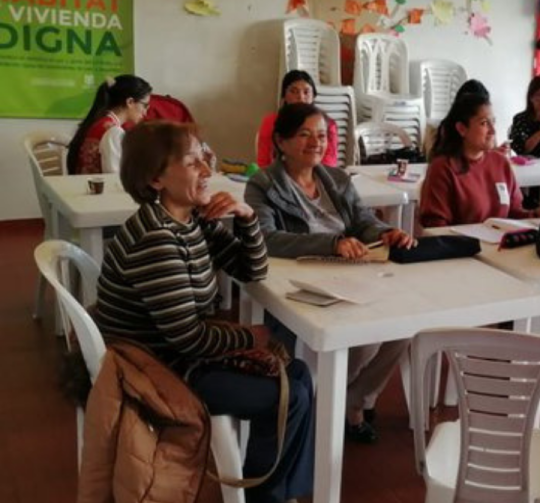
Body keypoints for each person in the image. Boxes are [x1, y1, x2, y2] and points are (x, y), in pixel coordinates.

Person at [94, 122, 313, 503]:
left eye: (204, 158)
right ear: (155, 179)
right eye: (193, 162)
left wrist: (245, 217)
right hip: (157, 370)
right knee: (290, 393)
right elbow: (189, 339)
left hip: (176, 356)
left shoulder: (188, 221)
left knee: (298, 375)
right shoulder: (157, 240)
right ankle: (268, 496)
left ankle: (274, 491)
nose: (208, 171)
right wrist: (251, 337)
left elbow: (251, 270)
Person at [245, 102, 414, 443]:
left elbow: (362, 221)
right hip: (301, 280)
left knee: (406, 325)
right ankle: (330, 400)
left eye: (321, 135)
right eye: (304, 134)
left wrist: (384, 233)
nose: (316, 143)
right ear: (281, 141)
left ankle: (354, 399)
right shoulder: (264, 184)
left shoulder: (335, 178)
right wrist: (331, 243)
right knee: (364, 333)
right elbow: (265, 237)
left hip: (352, 271)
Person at [419, 94, 540, 228]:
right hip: (461, 252)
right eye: (484, 123)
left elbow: (515, 214)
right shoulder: (443, 167)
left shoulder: (500, 162)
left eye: (493, 122)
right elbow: (435, 228)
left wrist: (539, 214)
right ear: (462, 129)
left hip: (498, 250)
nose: (493, 131)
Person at [67, 75, 152, 174]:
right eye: (145, 105)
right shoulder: (113, 131)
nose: (145, 112)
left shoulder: (98, 122)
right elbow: (114, 176)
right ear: (130, 102)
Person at [256, 70, 339, 168]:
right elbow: (263, 163)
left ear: (313, 96)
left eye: (306, 92)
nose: (301, 97)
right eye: (294, 91)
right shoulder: (270, 123)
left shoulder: (328, 124)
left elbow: (329, 164)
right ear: (284, 96)